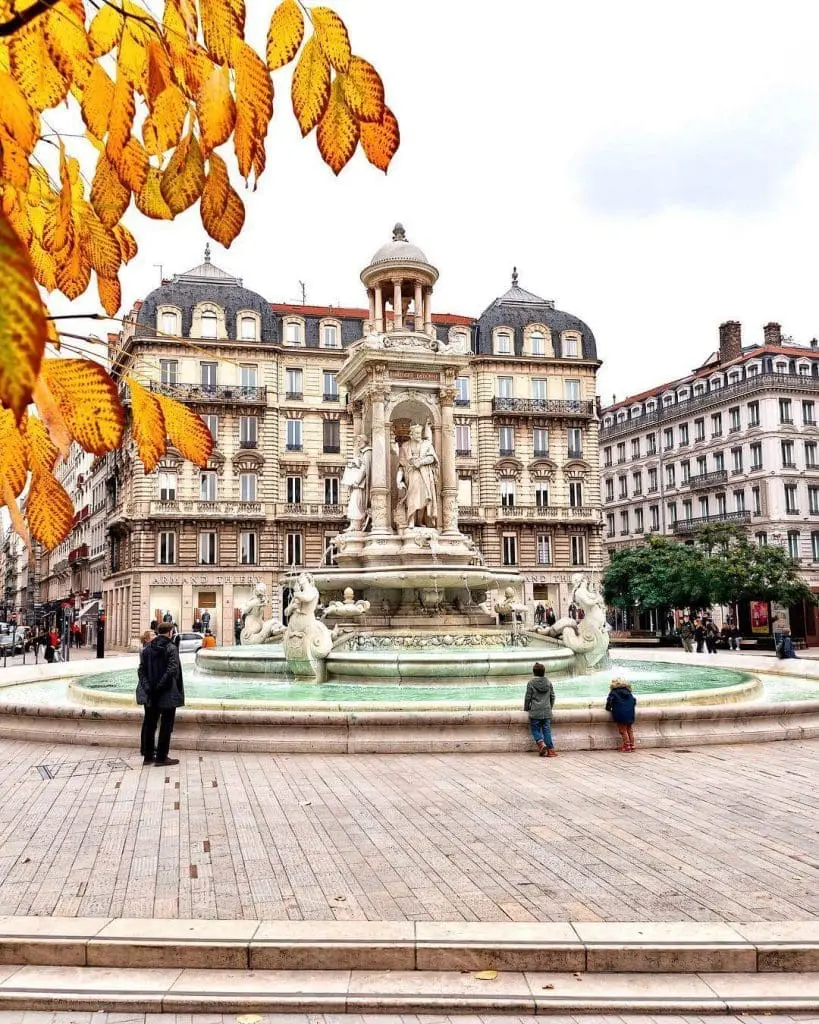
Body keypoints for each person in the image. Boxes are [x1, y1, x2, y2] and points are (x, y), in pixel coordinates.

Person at [137, 621, 185, 767]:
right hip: (167, 693)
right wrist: (159, 686)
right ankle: (162, 757)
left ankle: (148, 756)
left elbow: (141, 670)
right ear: (170, 632)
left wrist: (148, 687)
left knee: (151, 724)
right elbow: (172, 670)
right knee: (166, 725)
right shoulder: (171, 647)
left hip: (150, 693)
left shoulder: (148, 648)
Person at [523, 662, 557, 757]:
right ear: (544, 672)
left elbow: (528, 697)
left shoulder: (531, 683)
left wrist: (526, 708)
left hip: (535, 711)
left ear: (534, 672)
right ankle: (551, 751)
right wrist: (549, 707)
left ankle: (541, 743)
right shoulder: (548, 682)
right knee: (547, 730)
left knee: (535, 729)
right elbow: (552, 696)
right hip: (546, 711)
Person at [606, 678, 637, 752]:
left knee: (623, 730)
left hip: (620, 714)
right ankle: (632, 745)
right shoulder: (628, 692)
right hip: (630, 713)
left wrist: (608, 708)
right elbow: (634, 701)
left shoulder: (613, 692)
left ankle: (627, 746)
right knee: (629, 730)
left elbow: (609, 701)